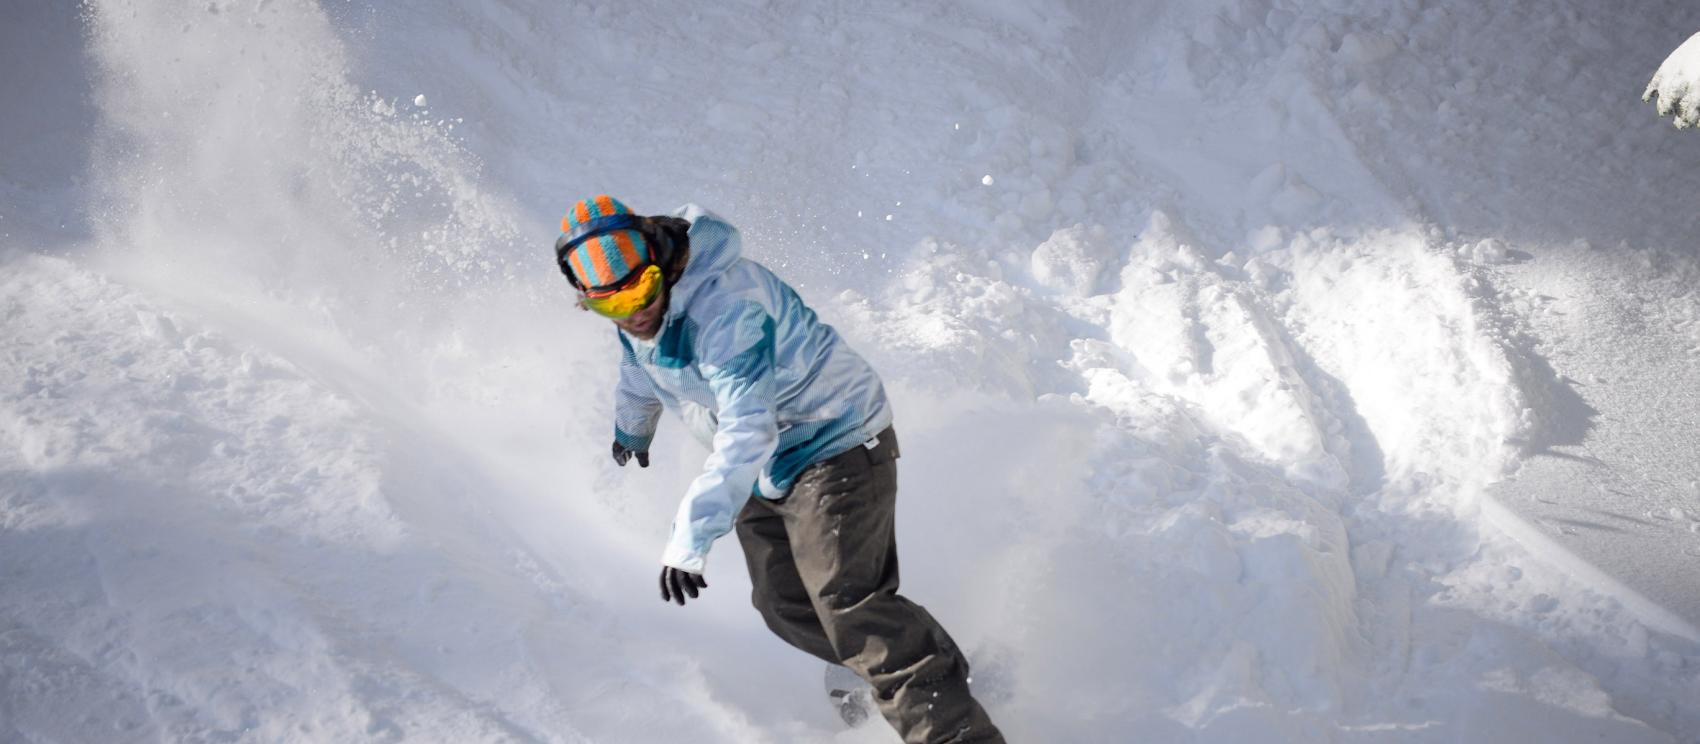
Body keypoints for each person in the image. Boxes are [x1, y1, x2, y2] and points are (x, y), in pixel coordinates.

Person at [554, 195, 1006, 744]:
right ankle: (930, 667)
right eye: (610, 307)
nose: (633, 313)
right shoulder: (638, 310)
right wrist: (633, 425)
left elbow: (747, 426)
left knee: (848, 604)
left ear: (659, 261)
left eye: (642, 293)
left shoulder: (725, 309)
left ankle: (952, 727)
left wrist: (691, 536)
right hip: (767, 464)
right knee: (784, 605)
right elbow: (638, 363)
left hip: (835, 439)